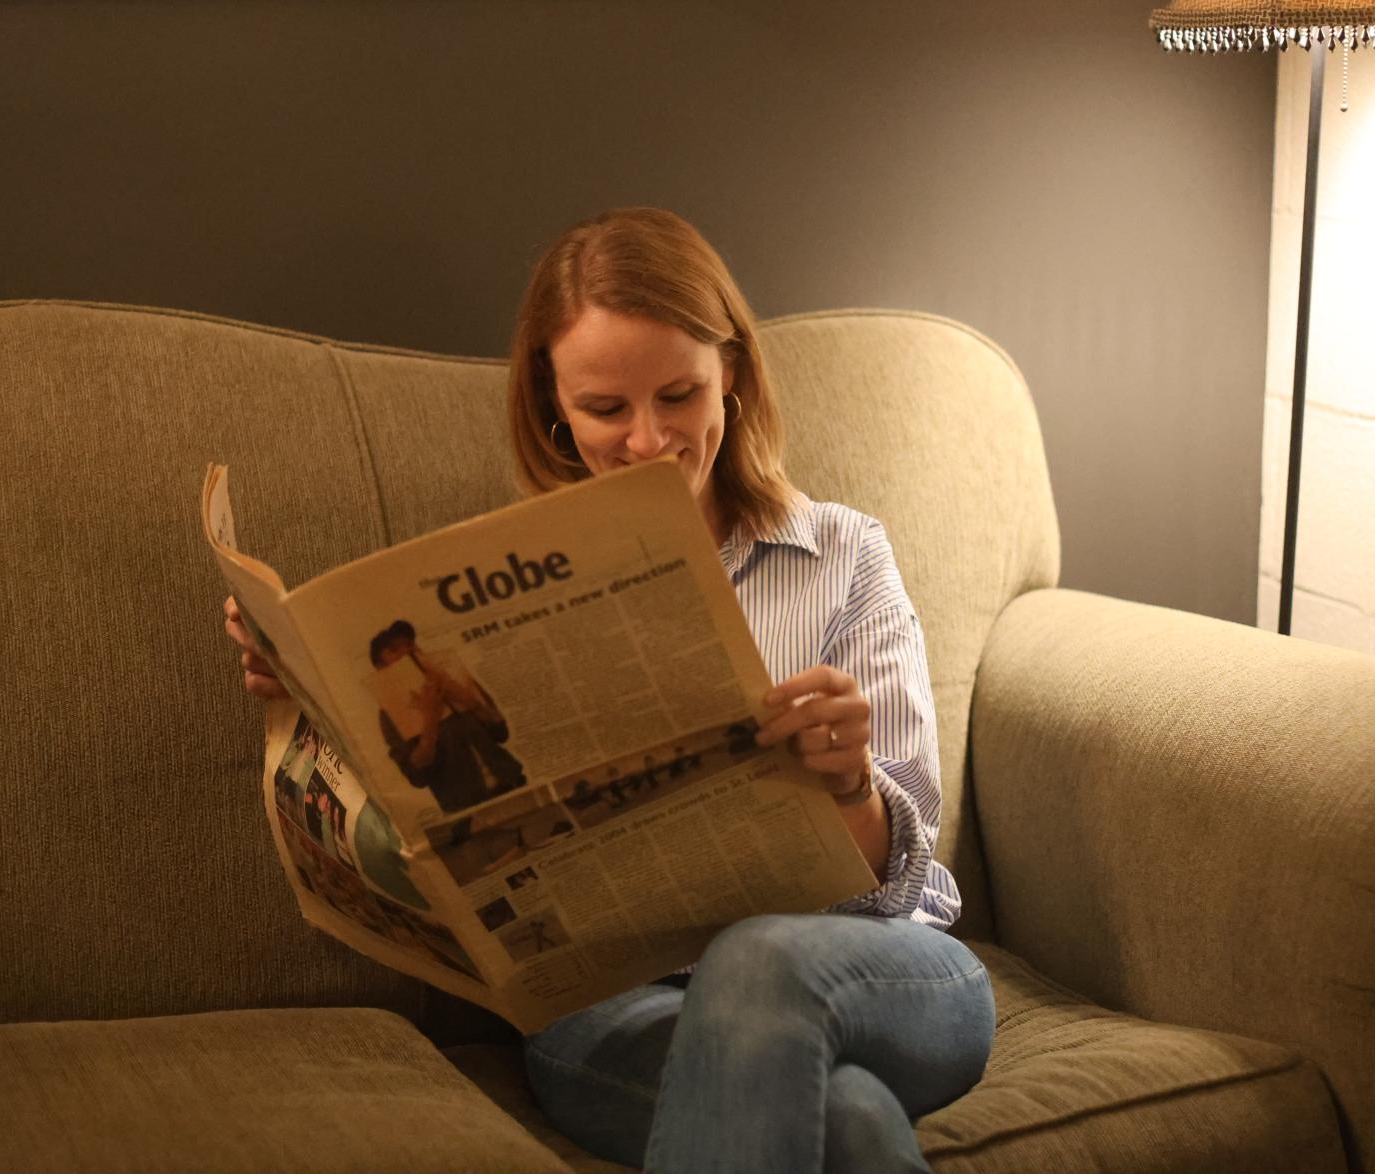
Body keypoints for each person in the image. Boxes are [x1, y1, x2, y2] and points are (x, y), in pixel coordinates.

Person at [223, 207, 993, 1173]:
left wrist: (843, 784)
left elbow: (902, 870)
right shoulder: (495, 599)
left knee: (760, 962)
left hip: (882, 974)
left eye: (680, 395)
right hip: (619, 1001)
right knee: (849, 1126)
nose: (647, 441)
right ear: (553, 410)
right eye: (604, 410)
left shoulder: (843, 557)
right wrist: (309, 697)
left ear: (736, 379)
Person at [370, 619, 527, 813]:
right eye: (394, 650)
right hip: (468, 810)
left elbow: (501, 733)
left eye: (410, 644)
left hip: (514, 785)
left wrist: (468, 700)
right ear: (381, 670)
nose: (406, 651)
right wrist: (430, 720)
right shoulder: (390, 714)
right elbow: (417, 777)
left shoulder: (454, 677)